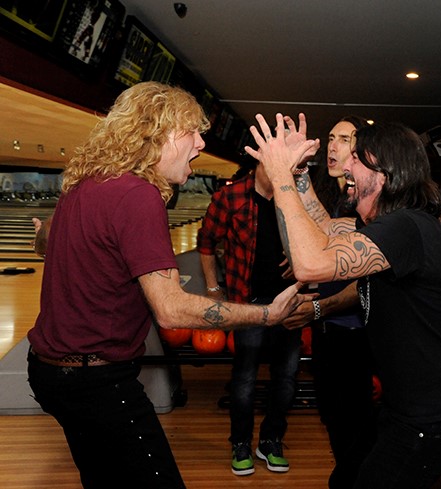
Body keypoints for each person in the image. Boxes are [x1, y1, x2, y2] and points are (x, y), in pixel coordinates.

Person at [26, 82, 310, 489]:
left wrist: (42, 238)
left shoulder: (84, 185)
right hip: (96, 381)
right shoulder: (138, 195)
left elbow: (48, 237)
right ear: (158, 132)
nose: (201, 143)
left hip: (50, 373)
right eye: (192, 131)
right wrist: (267, 314)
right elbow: (170, 309)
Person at [247, 113, 441, 489]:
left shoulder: (407, 227)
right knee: (348, 475)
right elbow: (323, 231)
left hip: (438, 415)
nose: (346, 165)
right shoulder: (383, 225)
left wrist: (279, 176)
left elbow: (310, 262)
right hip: (408, 406)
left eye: (357, 158)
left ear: (385, 174)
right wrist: (299, 172)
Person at [281, 115, 377, 489]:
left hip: (356, 334)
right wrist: (301, 171)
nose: (333, 146)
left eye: (344, 139)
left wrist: (317, 307)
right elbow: (324, 229)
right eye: (331, 137)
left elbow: (363, 286)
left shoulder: (371, 207)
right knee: (334, 418)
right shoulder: (343, 200)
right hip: (329, 331)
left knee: (356, 424)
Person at [196, 155, 302, 477]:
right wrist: (213, 289)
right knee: (245, 379)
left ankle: (270, 441)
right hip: (248, 303)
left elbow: (315, 239)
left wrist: (299, 260)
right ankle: (240, 443)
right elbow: (206, 241)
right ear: (259, 160)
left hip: (290, 300)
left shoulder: (294, 195)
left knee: (287, 379)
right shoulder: (230, 196)